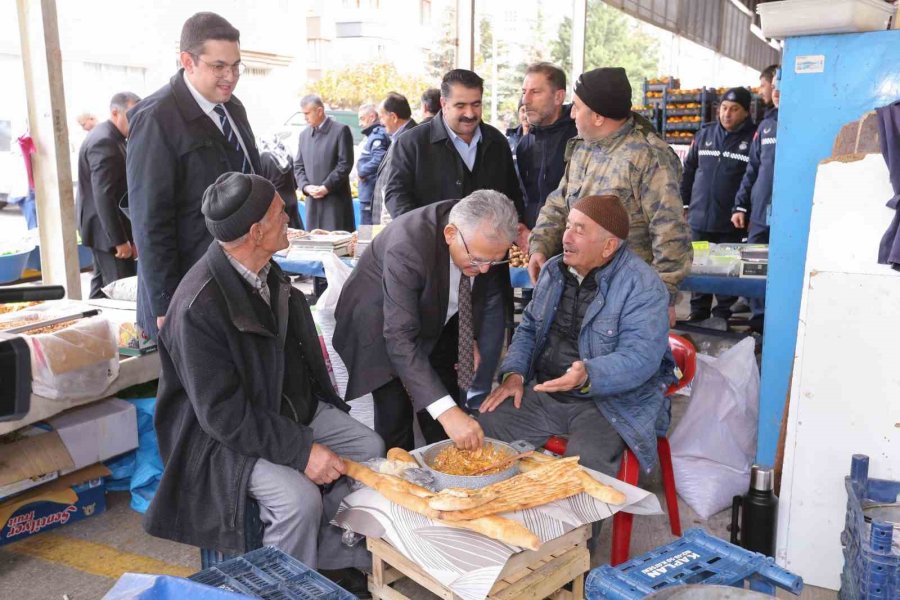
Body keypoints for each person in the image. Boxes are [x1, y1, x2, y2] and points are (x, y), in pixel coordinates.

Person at [145, 173, 382, 597]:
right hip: (216, 439)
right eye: (279, 212)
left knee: (369, 451)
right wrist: (301, 450)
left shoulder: (265, 272)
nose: (289, 216)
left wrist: (314, 425)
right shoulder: (198, 305)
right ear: (256, 232)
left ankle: (330, 560)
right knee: (297, 500)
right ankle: (282, 590)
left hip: (280, 409)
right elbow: (222, 416)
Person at [479, 195, 675, 478]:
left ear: (608, 246)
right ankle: (509, 510)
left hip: (608, 403)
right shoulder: (554, 271)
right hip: (549, 390)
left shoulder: (643, 286)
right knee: (488, 424)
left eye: (579, 230)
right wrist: (515, 374)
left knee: (587, 463)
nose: (566, 238)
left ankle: (577, 523)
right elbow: (530, 328)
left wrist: (589, 375)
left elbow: (640, 357)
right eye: (568, 226)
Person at [333, 191, 518, 451]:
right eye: (478, 260)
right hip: (378, 320)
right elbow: (399, 338)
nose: (486, 269)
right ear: (450, 234)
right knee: (396, 412)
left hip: (436, 315)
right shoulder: (408, 247)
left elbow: (471, 291)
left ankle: (447, 471)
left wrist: (469, 336)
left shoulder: (481, 235)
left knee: (445, 400)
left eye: (495, 260)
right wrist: (447, 413)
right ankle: (400, 478)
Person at [127, 12, 261, 340]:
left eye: (236, 66)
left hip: (235, 277)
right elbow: (149, 219)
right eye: (219, 67)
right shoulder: (156, 118)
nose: (230, 76)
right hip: (187, 290)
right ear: (188, 61)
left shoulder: (233, 108)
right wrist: (165, 303)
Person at [528, 67, 692, 327]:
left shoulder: (647, 156)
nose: (571, 114)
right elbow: (559, 203)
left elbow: (670, 230)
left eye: (577, 107)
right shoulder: (583, 149)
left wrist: (663, 297)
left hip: (627, 296)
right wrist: (540, 246)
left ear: (597, 117)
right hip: (579, 289)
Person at [681, 87, 756, 322]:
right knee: (699, 264)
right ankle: (698, 311)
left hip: (729, 221)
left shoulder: (752, 139)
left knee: (726, 268)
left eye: (734, 109)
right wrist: (684, 204)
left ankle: (722, 313)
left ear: (746, 112)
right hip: (700, 217)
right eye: (724, 108)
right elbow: (689, 170)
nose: (727, 114)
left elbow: (753, 178)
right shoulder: (704, 135)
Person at [76, 91, 141, 298]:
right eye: (132, 115)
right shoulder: (104, 141)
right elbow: (103, 195)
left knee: (100, 289)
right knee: (120, 289)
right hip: (106, 231)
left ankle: (90, 325)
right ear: (115, 112)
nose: (137, 121)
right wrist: (119, 240)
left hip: (104, 228)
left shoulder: (114, 137)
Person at [732, 74, 780, 326]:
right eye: (773, 86)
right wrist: (741, 205)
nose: (774, 90)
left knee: (781, 265)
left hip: (787, 211)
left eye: (779, 86)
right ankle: (758, 317)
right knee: (754, 263)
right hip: (761, 210)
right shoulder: (766, 125)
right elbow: (753, 168)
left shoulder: (803, 121)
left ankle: (776, 319)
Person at [516, 62, 577, 230]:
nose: (525, 100)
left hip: (571, 241)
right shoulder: (525, 144)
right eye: (524, 92)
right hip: (532, 242)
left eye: (535, 92)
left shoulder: (579, 139)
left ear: (558, 97)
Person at [293, 94, 355, 232]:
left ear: (319, 111)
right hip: (312, 203)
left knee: (337, 245)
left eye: (307, 113)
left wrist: (326, 187)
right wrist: (306, 187)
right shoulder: (304, 135)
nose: (305, 118)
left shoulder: (340, 130)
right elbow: (298, 166)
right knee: (314, 246)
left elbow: (345, 164)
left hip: (335, 202)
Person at [356, 103, 390, 226]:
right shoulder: (373, 134)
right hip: (369, 191)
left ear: (371, 117)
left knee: (367, 232)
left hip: (371, 191)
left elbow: (379, 157)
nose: (360, 123)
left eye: (362, 118)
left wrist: (362, 172)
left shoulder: (377, 135)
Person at [259, 136, 302, 229]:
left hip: (277, 205)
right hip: (292, 201)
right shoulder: (287, 156)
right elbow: (295, 182)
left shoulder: (263, 157)